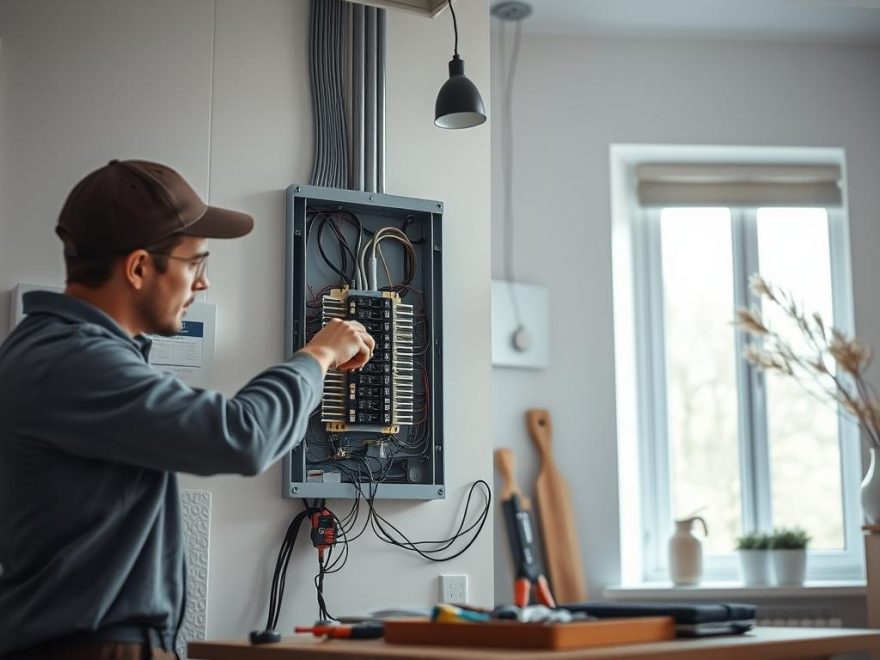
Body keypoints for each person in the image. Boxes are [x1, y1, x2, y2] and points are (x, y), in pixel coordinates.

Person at [0, 159, 375, 659]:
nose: (202, 284)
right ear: (137, 268)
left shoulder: (58, 351)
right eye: (194, 263)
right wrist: (318, 355)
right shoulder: (75, 361)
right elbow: (241, 436)